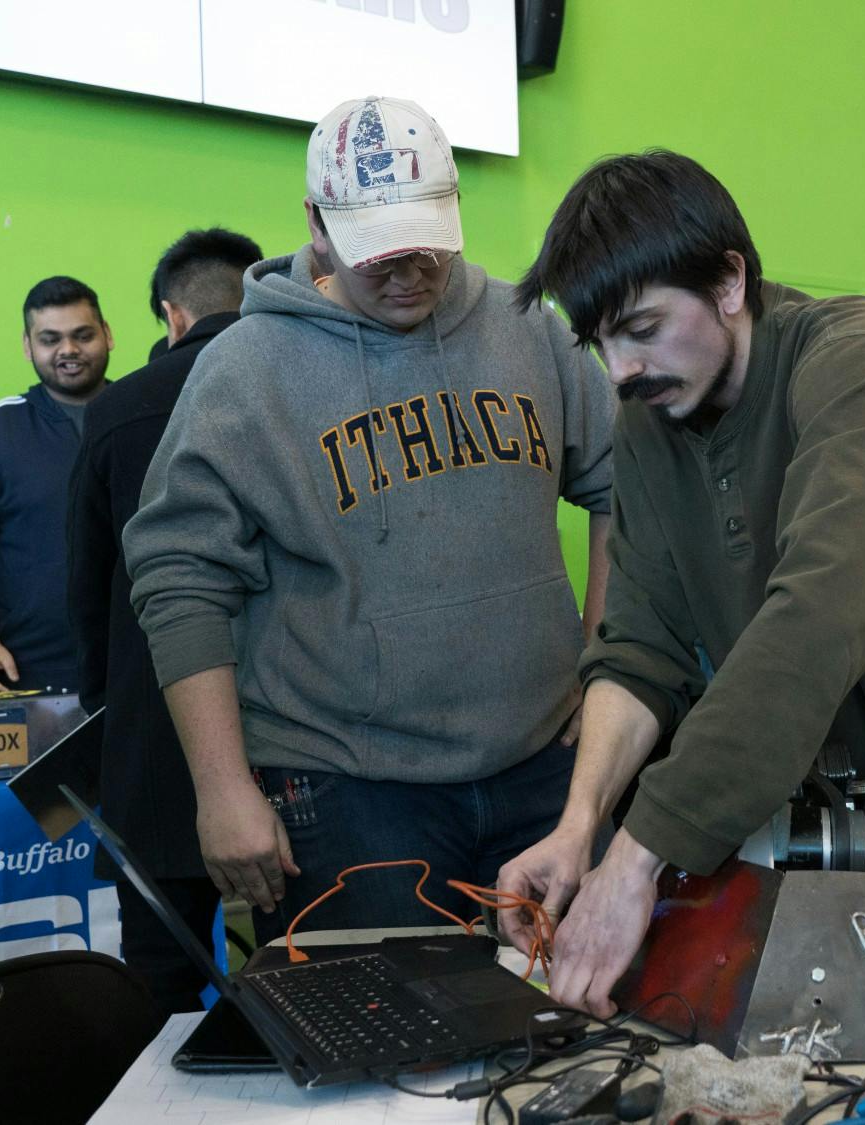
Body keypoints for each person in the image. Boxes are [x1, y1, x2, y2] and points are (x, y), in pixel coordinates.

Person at [498, 149, 865, 1017]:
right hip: (847, 794)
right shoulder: (650, 416)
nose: (619, 370)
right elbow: (639, 646)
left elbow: (811, 628)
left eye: (640, 328)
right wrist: (580, 824)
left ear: (730, 282)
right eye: (598, 342)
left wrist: (636, 857)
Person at [125, 97, 616, 939]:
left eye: (426, 247)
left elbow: (622, 487)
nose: (407, 274)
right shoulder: (245, 369)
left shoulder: (528, 327)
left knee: (572, 1026)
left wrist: (603, 653)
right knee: (388, 1049)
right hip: (350, 789)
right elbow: (179, 579)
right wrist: (222, 786)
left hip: (543, 768)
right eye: (378, 255)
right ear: (317, 224)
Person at [66, 228, 260, 1013]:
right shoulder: (295, 388)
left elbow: (86, 585)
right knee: (306, 975)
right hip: (289, 741)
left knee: (157, 987)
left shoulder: (117, 409)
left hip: (152, 743)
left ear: (171, 317)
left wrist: (103, 703)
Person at [0, 275, 114, 694]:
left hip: (139, 666)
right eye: (50, 338)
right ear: (27, 345)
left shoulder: (144, 416)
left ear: (107, 335)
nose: (68, 350)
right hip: (26, 673)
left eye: (82, 335)